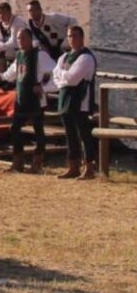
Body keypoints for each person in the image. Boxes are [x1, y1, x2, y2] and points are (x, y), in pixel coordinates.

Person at [0, 28, 56, 173]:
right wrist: (0, 76)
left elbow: (56, 71)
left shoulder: (39, 55)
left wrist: (44, 86)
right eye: (18, 38)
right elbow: (11, 74)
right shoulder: (19, 56)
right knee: (15, 129)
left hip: (36, 100)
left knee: (38, 131)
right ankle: (18, 162)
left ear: (30, 39)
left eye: (23, 38)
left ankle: (37, 162)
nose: (20, 41)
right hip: (22, 99)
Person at [53, 26, 98, 180]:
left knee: (84, 134)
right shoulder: (64, 57)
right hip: (65, 99)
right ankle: (73, 166)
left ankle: (89, 167)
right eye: (70, 36)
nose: (72, 39)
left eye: (75, 36)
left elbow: (73, 79)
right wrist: (63, 77)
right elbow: (56, 77)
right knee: (70, 134)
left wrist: (62, 76)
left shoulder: (86, 57)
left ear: (82, 37)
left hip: (81, 101)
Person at [0, 2, 27, 75]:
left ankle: (10, 78)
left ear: (9, 12)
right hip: (8, 47)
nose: (0, 16)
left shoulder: (17, 22)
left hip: (21, 48)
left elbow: (14, 42)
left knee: (7, 52)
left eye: (2, 13)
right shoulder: (0, 23)